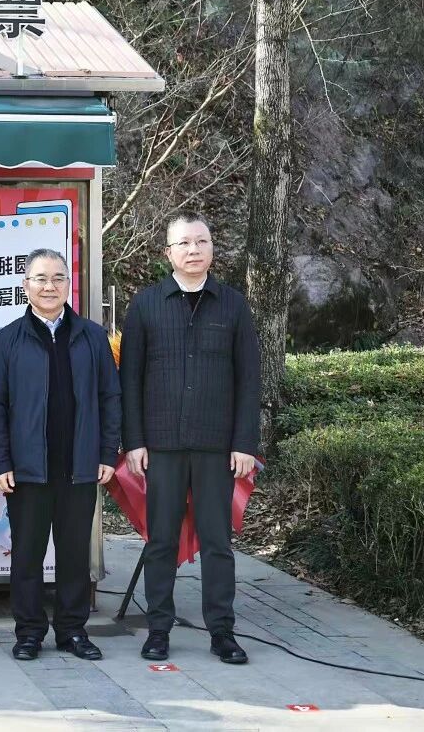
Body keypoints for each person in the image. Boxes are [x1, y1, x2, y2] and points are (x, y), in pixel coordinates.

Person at [120, 211, 260, 665]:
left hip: (217, 446)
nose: (193, 250)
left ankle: (222, 632)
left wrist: (245, 443)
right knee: (160, 540)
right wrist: (134, 440)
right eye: (183, 243)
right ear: (168, 253)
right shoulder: (146, 305)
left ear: (212, 248)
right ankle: (158, 628)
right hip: (161, 444)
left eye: (201, 241)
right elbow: (130, 379)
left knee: (218, 542)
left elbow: (249, 379)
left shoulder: (233, 305)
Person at [0, 248, 120, 662]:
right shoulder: (8, 339)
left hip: (79, 466)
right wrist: (0, 462)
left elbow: (110, 397)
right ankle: (28, 632)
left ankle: (72, 631)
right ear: (25, 285)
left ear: (69, 285)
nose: (50, 286)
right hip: (27, 470)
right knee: (26, 555)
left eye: (58, 278)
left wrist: (107, 452)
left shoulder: (92, 337)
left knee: (74, 554)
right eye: (40, 278)